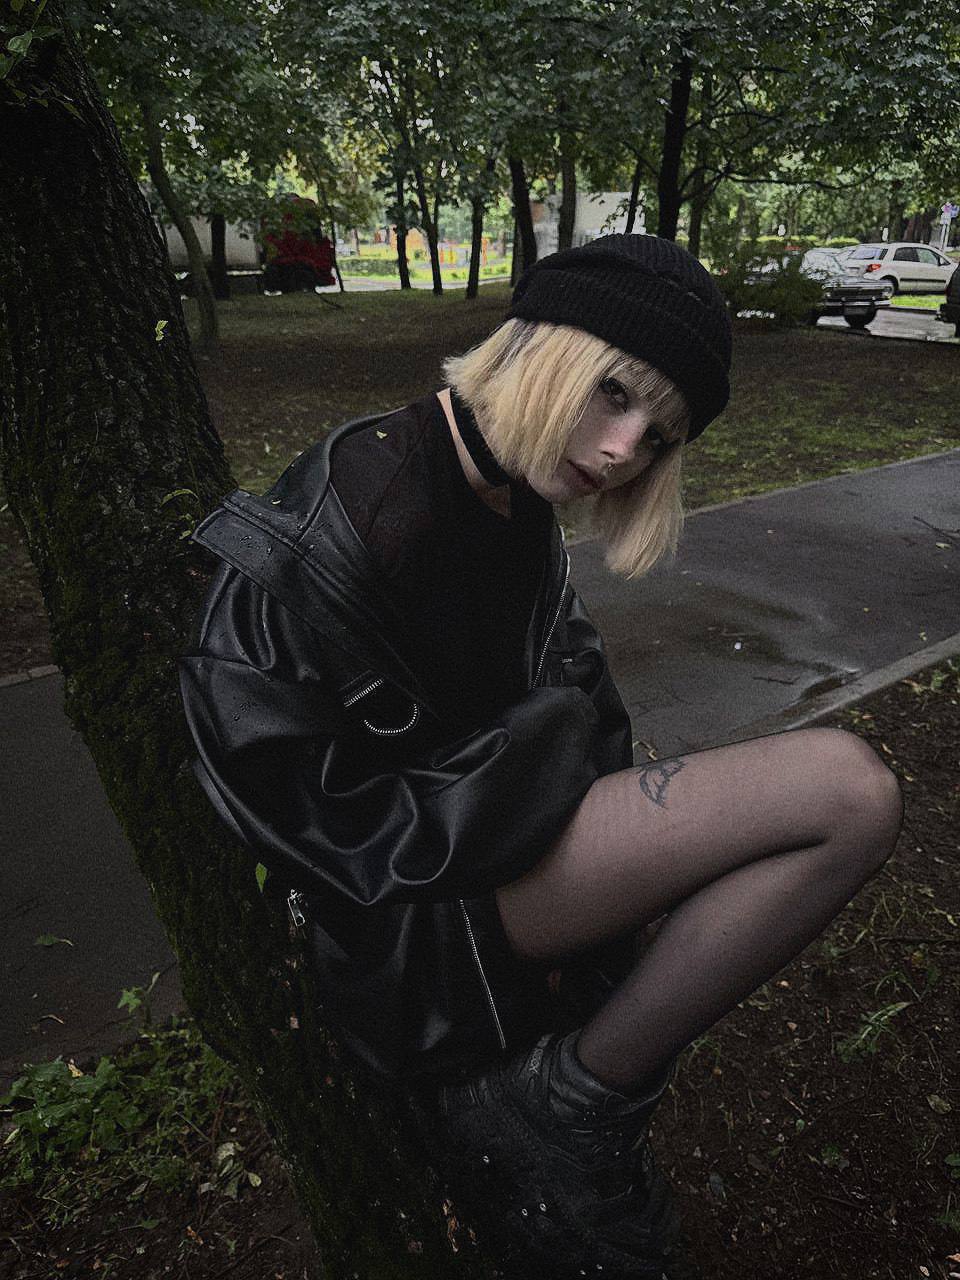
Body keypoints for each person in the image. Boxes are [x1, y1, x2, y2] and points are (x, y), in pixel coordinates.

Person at [178, 234, 903, 1277]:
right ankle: (557, 1110)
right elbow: (312, 827)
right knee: (846, 789)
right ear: (539, 341)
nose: (621, 451)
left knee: (831, 806)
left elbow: (581, 709)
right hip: (412, 935)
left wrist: (594, 832)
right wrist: (541, 786)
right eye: (614, 393)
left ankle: (579, 1096)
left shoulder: (510, 498)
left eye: (657, 436)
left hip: (496, 860)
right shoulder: (343, 520)